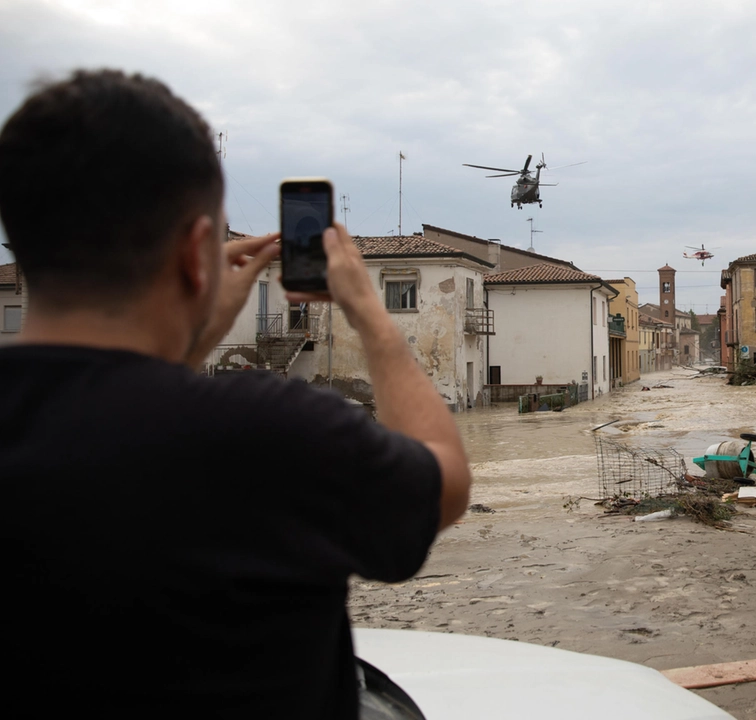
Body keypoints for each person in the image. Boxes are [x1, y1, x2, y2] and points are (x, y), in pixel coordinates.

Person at [0, 70, 471, 716]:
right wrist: (371, 315)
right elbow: (443, 484)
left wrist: (189, 340)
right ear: (199, 255)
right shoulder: (275, 432)